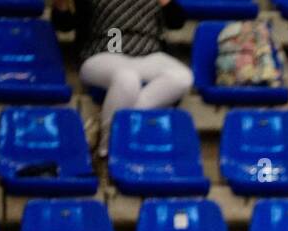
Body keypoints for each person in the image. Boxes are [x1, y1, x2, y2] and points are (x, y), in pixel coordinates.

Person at [51, 0, 193, 158]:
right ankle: (107, 151)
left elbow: (177, 21)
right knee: (127, 78)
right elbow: (65, 24)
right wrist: (60, 6)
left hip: (148, 53)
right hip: (102, 54)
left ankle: (114, 128)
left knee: (182, 77)